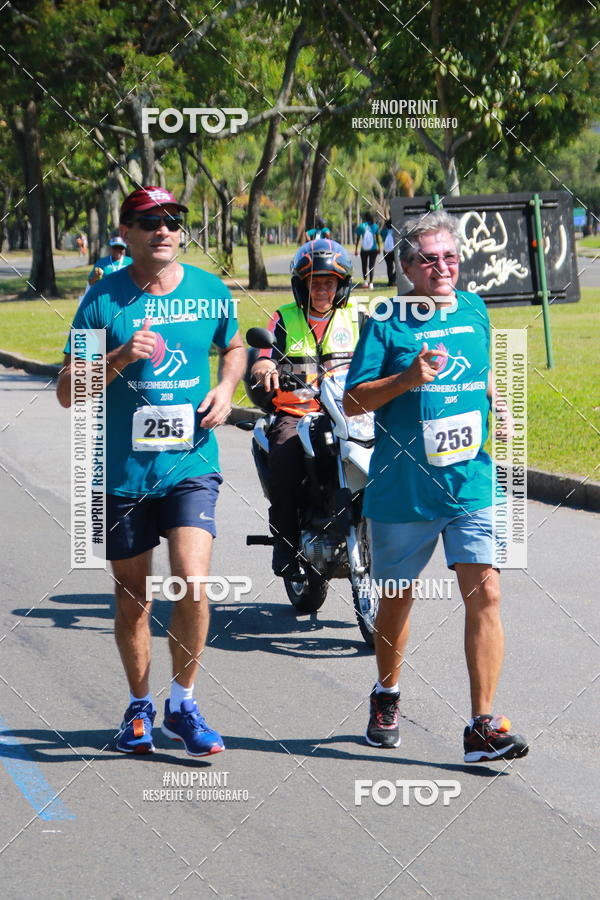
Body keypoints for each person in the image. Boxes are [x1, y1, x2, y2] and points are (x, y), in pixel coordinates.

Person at [57, 186, 246, 757]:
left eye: (172, 220)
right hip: (120, 474)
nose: (163, 230)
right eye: (149, 222)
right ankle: (140, 705)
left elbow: (234, 346)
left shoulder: (210, 291)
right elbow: (69, 392)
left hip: (191, 464)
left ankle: (182, 704)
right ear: (127, 232)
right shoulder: (101, 300)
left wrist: (226, 386)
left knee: (192, 580)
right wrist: (118, 357)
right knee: (132, 598)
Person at [343, 210, 528, 763]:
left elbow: (483, 369)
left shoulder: (473, 308)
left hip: (470, 480)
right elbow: (354, 401)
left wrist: (498, 402)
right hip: (403, 491)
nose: (442, 267)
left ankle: (480, 726)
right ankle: (387, 691)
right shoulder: (386, 319)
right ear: (406, 267)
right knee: (397, 603)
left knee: (487, 591)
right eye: (429, 259)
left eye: (450, 256)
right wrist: (406, 379)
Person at [251, 239, 358, 576]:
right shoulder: (283, 318)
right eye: (315, 282)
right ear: (301, 285)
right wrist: (265, 369)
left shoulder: (359, 318)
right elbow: (262, 359)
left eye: (329, 282)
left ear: (341, 285)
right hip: (298, 415)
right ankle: (285, 541)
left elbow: (385, 356)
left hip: (350, 413)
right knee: (283, 457)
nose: (323, 290)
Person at [354, 211, 380, 289]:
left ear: (365, 218)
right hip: (374, 248)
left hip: (364, 249)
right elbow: (377, 238)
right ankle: (371, 283)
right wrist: (379, 247)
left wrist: (356, 249)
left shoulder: (361, 226)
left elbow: (358, 239)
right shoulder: (375, 226)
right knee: (371, 266)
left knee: (364, 265)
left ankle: (365, 282)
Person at [380, 218, 396, 287]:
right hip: (394, 251)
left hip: (386, 251)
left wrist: (384, 225)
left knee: (389, 267)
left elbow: (381, 233)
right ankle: (393, 279)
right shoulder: (395, 231)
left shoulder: (384, 231)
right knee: (399, 267)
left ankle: (390, 282)